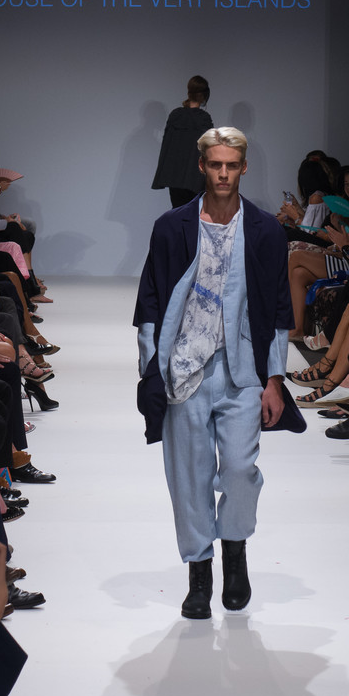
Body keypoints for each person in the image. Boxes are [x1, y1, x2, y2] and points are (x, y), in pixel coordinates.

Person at [134, 127, 298, 619]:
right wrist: (152, 369)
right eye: (215, 165)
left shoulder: (266, 230)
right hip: (184, 368)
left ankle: (235, 552)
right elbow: (150, 300)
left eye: (231, 165)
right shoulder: (171, 227)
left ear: (244, 167)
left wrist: (275, 379)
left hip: (243, 370)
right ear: (202, 166)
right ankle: (199, 572)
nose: (223, 174)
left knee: (241, 471)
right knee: (190, 477)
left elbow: (278, 307)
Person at [151, 76, 213, 208]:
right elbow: (209, 151)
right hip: (195, 179)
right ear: (204, 96)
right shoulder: (203, 119)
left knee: (178, 212)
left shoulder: (175, 115)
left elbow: (166, 147)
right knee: (193, 214)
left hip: (174, 178)